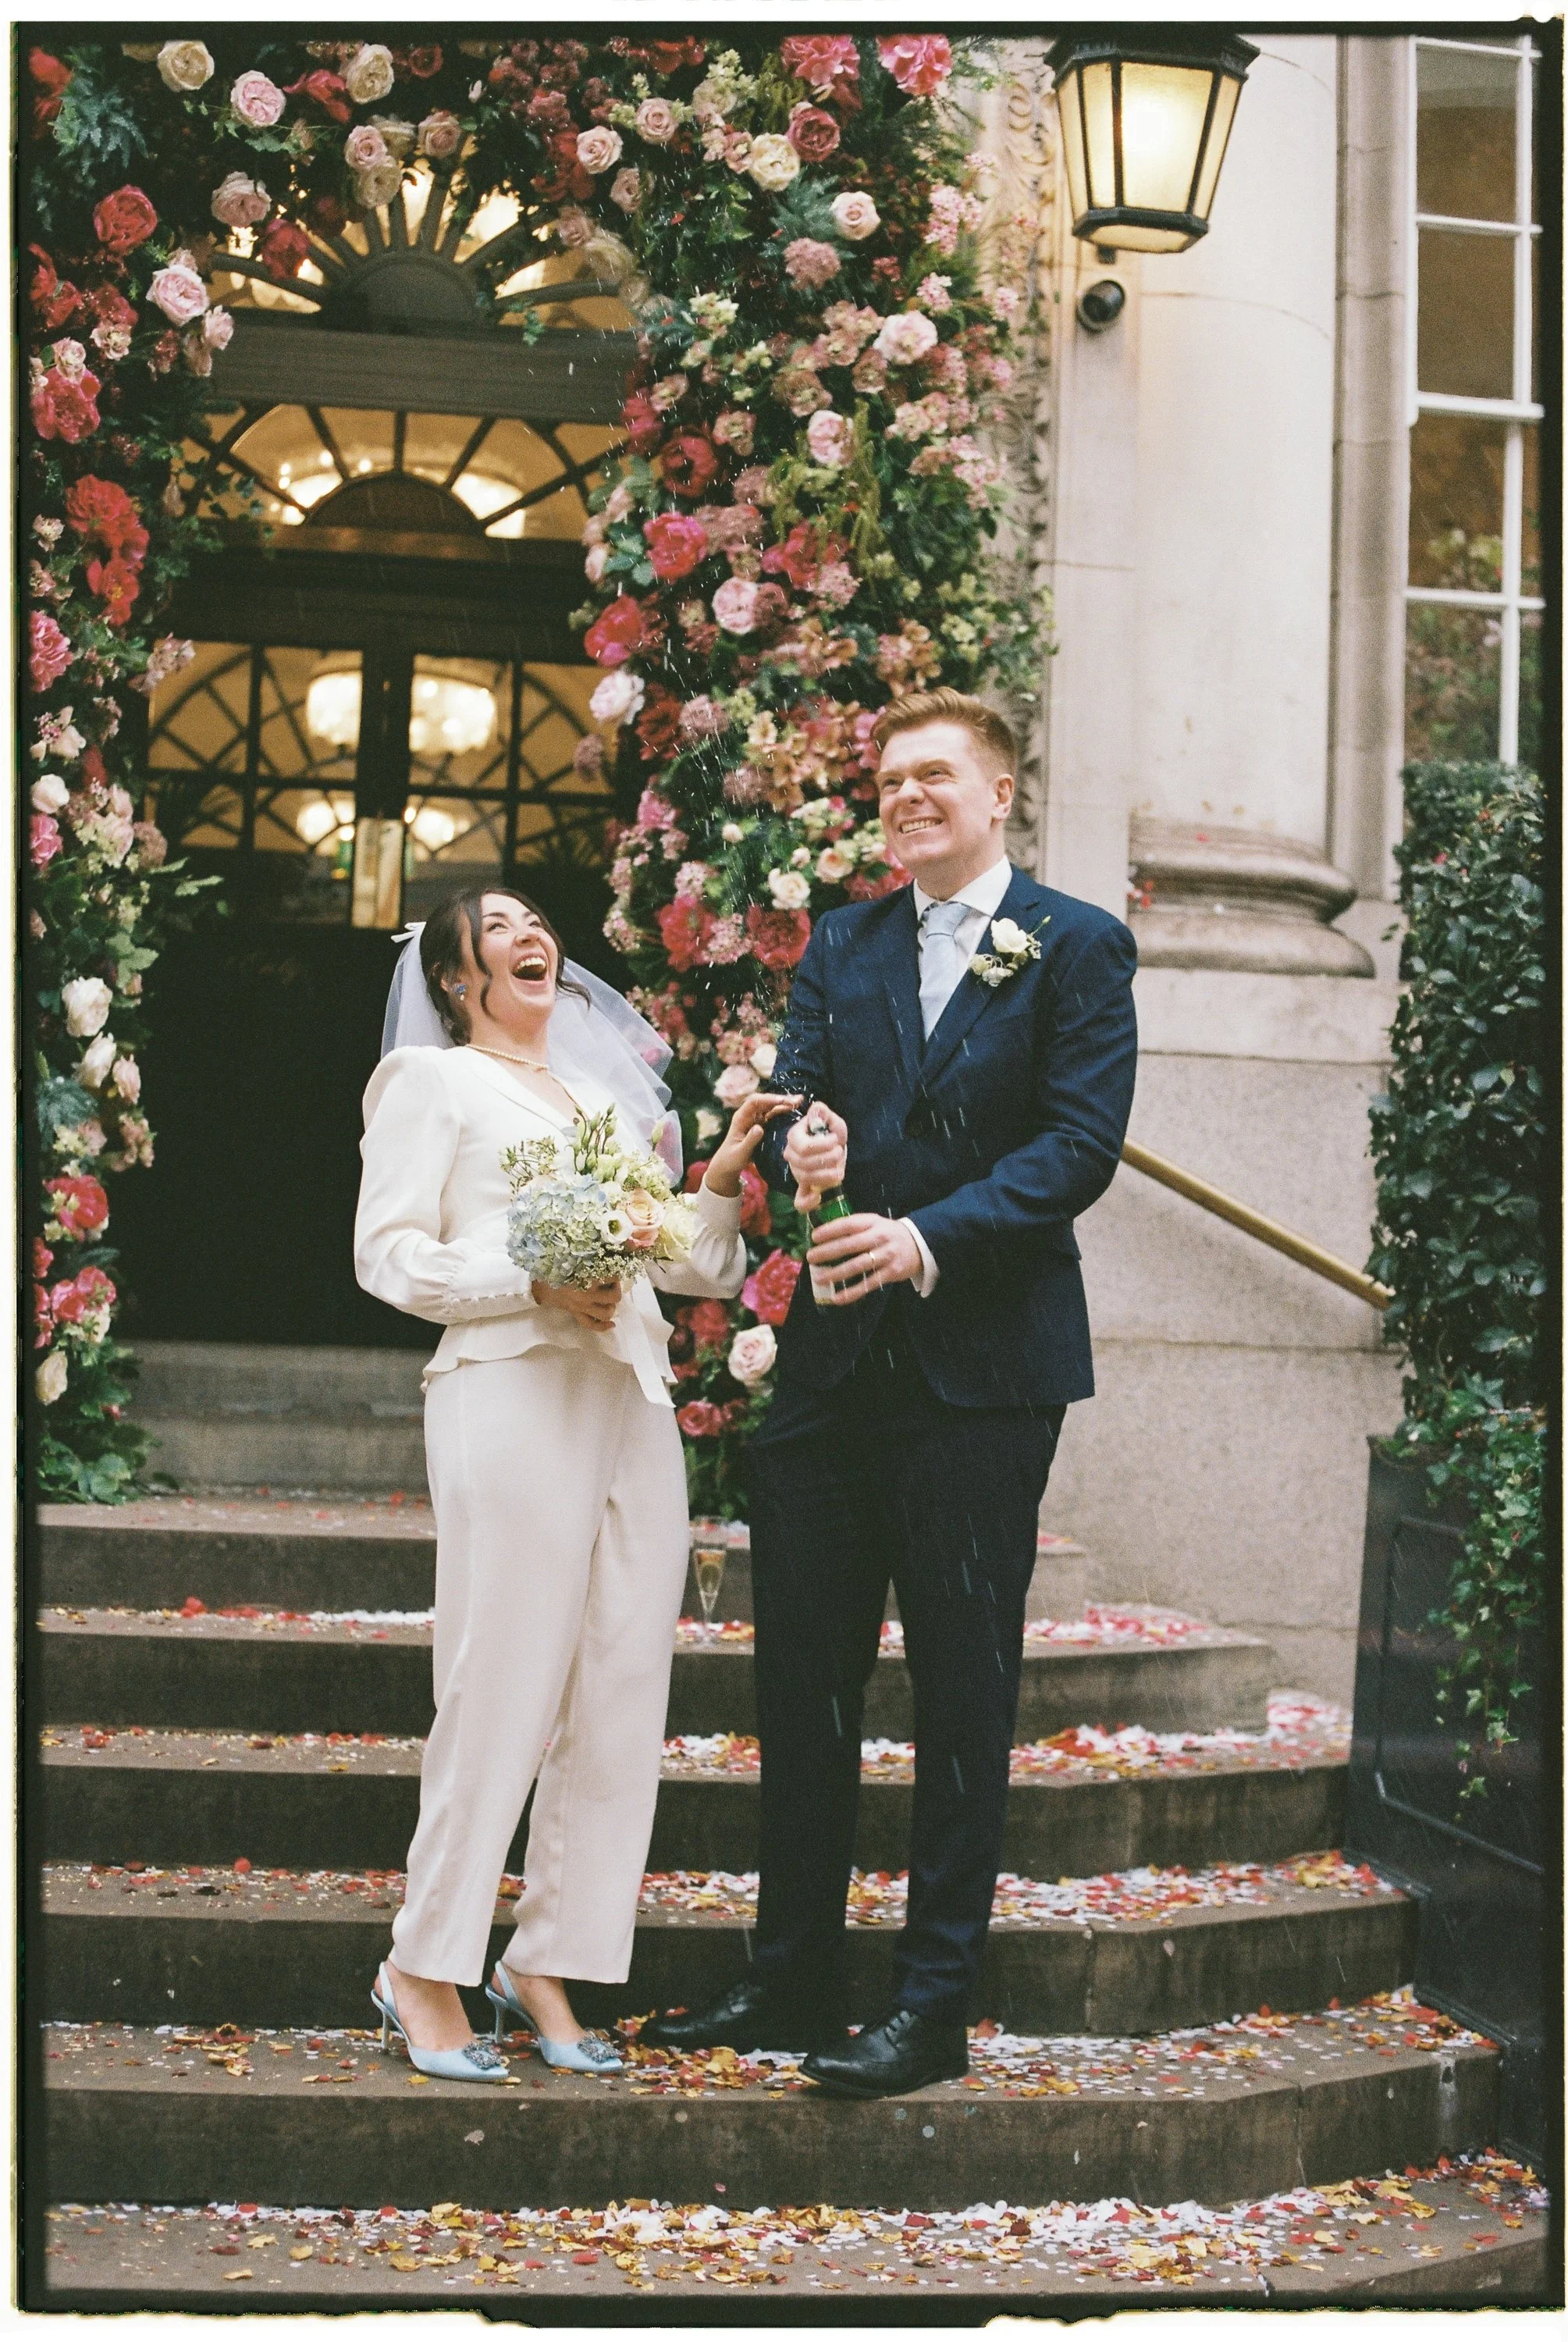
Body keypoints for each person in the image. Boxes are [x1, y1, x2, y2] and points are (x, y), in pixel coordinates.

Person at [642, 689, 1139, 2098]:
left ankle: (931, 2003)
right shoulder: (845, 940)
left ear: (998, 795)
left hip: (982, 1376)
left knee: (964, 1694)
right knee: (803, 1682)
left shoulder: (1077, 946)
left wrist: (927, 1237)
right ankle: (791, 1973)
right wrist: (810, 1142)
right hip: (831, 1374)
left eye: (936, 776)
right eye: (891, 779)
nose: (908, 796)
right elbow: (805, 1088)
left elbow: (1079, 1148)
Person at [354, 885, 793, 2081]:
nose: (527, 936)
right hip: (509, 1387)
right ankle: (424, 1962)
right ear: (456, 975)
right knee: (499, 1680)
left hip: (631, 1401)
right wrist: (531, 1285)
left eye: (533, 921)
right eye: (495, 929)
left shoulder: (603, 1101)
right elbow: (385, 1254)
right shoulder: (431, 1085)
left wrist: (717, 1176)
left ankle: (546, 1959)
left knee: (618, 1691)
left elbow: (697, 1265)